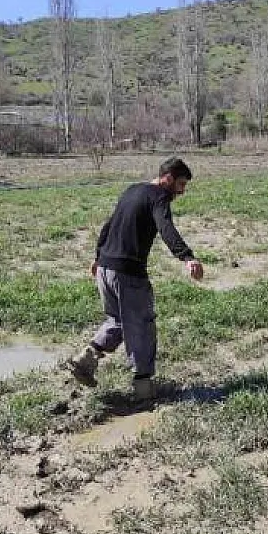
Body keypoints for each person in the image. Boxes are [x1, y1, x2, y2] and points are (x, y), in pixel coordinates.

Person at [65, 157, 204, 399]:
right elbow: (166, 226)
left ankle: (85, 359)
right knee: (142, 326)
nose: (182, 191)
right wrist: (187, 257)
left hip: (106, 269)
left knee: (118, 320)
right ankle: (144, 390)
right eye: (181, 184)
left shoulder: (132, 190)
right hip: (128, 273)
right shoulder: (158, 196)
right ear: (167, 178)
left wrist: (98, 257)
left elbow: (109, 225)